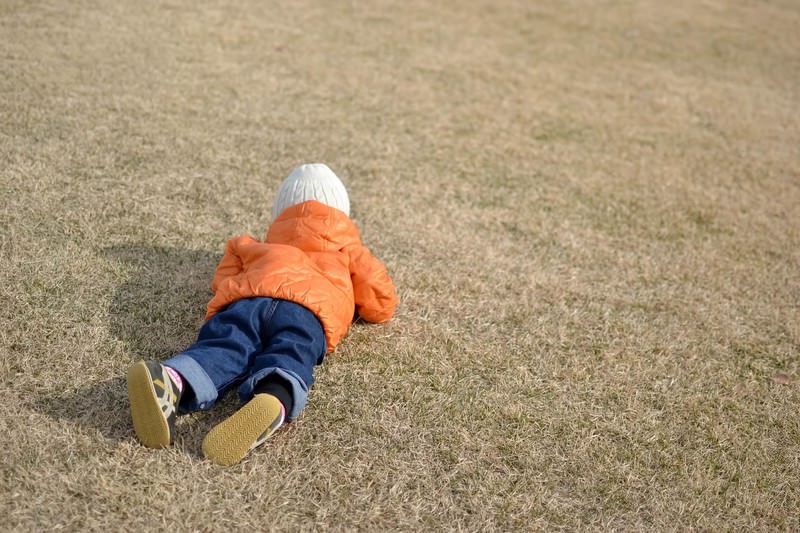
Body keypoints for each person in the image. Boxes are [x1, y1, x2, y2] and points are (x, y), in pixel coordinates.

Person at [126, 163, 399, 465]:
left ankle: (172, 378)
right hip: (308, 313)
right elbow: (380, 305)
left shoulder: (258, 245)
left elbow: (223, 278)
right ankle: (273, 397)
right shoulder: (349, 252)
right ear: (343, 213)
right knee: (292, 353)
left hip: (251, 299)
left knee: (223, 346)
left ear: (281, 212)